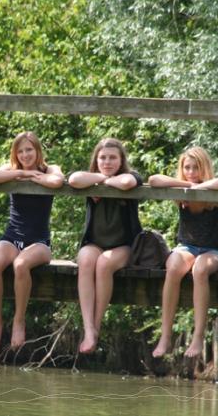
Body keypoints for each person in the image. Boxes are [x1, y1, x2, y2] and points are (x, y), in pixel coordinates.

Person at [0, 131, 64, 350]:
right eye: (20, 151)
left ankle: (19, 321)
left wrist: (32, 176)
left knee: (20, 265)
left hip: (39, 242)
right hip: (12, 238)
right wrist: (18, 174)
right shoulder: (12, 170)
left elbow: (57, 181)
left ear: (37, 151)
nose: (25, 154)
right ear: (15, 154)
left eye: (29, 150)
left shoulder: (50, 168)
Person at [148, 146, 218, 358]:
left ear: (205, 168)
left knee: (200, 269)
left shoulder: (214, 191)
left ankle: (198, 337)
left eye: (196, 168)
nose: (192, 172)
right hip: (187, 247)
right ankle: (165, 336)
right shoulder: (181, 190)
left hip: (214, 250)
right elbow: (155, 179)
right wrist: (188, 186)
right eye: (187, 168)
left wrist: (194, 188)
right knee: (173, 266)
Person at [68, 138, 142, 354]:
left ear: (121, 160)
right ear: (96, 159)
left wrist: (105, 182)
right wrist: (101, 179)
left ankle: (96, 326)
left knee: (103, 264)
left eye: (112, 158)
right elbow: (73, 179)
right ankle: (88, 329)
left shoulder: (131, 176)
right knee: (86, 260)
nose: (107, 161)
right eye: (102, 157)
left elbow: (127, 183)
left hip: (124, 246)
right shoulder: (92, 179)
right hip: (95, 243)